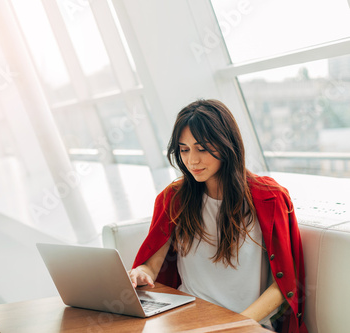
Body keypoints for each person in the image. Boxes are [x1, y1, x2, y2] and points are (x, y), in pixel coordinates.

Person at [129, 99, 307, 333]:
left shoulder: (270, 199)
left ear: (226, 144)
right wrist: (141, 273)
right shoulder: (173, 199)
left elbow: (283, 288)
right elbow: (151, 267)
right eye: (184, 149)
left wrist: (231, 325)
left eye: (202, 148)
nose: (192, 160)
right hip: (186, 320)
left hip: (247, 324)